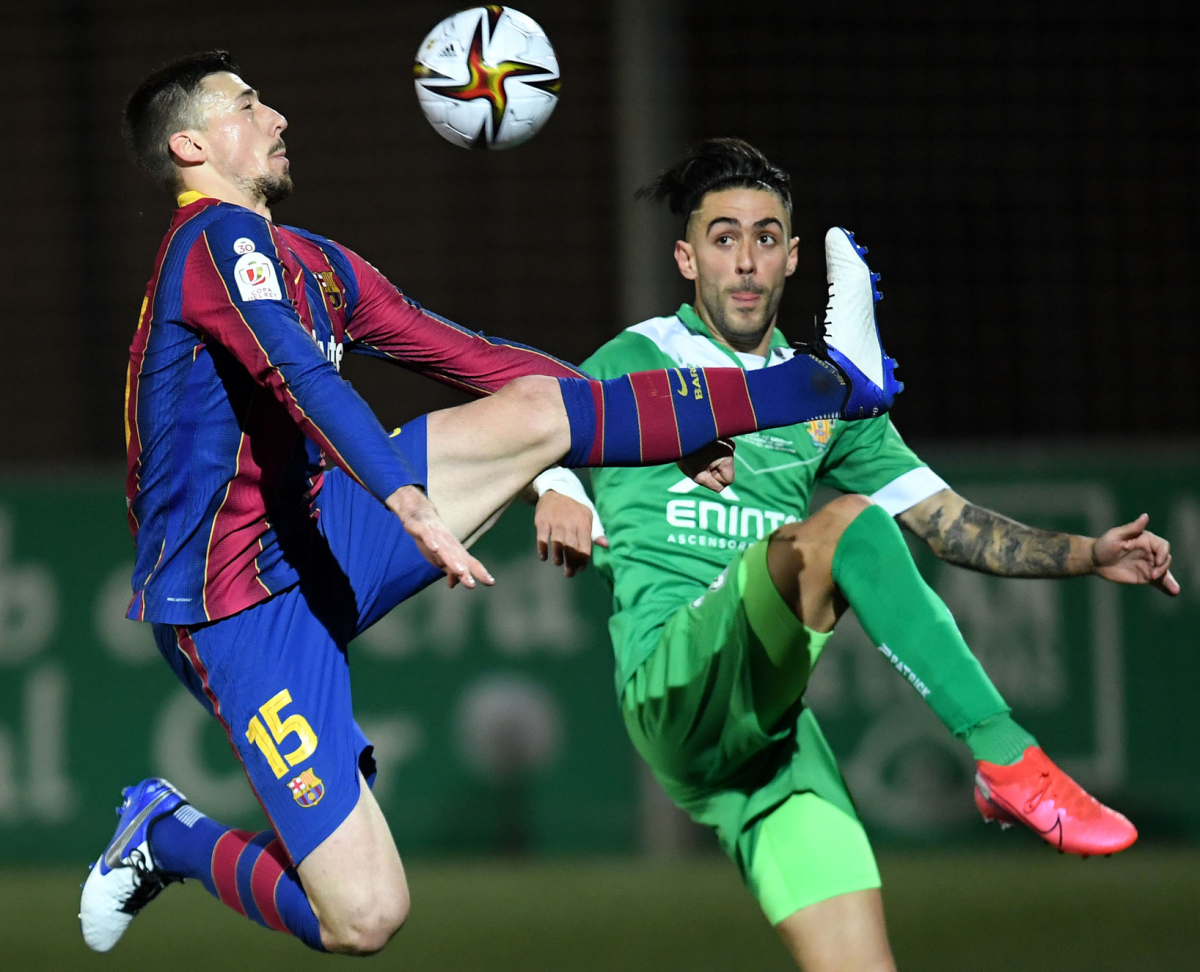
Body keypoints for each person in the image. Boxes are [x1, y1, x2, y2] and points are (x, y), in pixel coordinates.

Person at [79, 56, 904, 957]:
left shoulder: (309, 259)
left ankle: (822, 380)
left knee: (533, 412)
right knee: (364, 916)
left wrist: (646, 435)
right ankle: (166, 834)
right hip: (235, 606)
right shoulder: (210, 244)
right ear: (190, 145)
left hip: (319, 531)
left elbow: (463, 353)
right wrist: (404, 498)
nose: (277, 115)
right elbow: (297, 372)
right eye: (247, 105)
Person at [530, 137, 1177, 972]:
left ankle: (994, 764)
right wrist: (557, 485)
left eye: (766, 238)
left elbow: (949, 524)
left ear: (793, 256)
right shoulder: (638, 358)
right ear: (687, 259)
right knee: (851, 523)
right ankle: (1007, 758)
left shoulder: (827, 403)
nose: (746, 260)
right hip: (674, 675)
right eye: (723, 238)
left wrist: (1091, 554)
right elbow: (538, 422)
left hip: (769, 738)